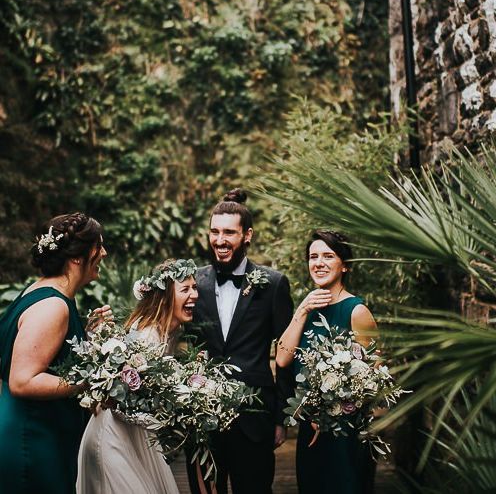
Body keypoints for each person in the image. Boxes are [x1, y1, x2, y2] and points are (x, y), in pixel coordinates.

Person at [189, 188, 294, 494]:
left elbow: (287, 352)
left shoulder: (273, 284)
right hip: (202, 415)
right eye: (214, 232)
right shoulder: (194, 282)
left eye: (229, 233)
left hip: (255, 417)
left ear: (247, 235)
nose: (220, 241)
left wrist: (282, 417)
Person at [0, 212, 108, 494]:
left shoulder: (40, 292)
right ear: (76, 258)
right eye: (99, 247)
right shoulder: (53, 307)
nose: (104, 253)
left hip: (42, 433)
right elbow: (23, 380)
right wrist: (90, 380)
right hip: (33, 440)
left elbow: (50, 355)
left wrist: (87, 335)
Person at [77, 258, 200, 494]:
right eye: (185, 289)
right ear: (165, 297)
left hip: (137, 438)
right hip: (113, 436)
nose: (194, 294)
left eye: (194, 287)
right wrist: (171, 413)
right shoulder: (148, 337)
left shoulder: (169, 332)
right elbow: (119, 403)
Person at [276, 230, 378, 494]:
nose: (318, 262)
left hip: (344, 434)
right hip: (309, 432)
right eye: (313, 256)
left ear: (344, 265)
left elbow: (374, 380)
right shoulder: (308, 309)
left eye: (328, 256)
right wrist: (301, 310)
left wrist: (330, 409)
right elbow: (283, 359)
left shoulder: (357, 312)